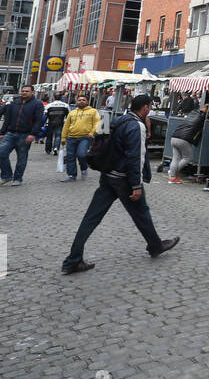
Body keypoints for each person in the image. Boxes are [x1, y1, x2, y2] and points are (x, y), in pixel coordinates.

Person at [61, 94, 179, 274]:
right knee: (141, 213)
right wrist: (136, 185)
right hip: (124, 178)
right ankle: (155, 246)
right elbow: (135, 157)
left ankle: (73, 259)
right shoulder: (136, 125)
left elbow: (98, 141)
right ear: (146, 108)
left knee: (91, 217)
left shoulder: (116, 119)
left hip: (108, 174)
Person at [0, 85, 44, 187]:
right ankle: (6, 176)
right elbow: (7, 118)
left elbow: (38, 120)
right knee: (1, 153)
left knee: (21, 158)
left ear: (32, 92)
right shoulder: (15, 102)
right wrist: (2, 133)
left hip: (25, 134)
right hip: (10, 133)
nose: (24, 93)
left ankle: (18, 178)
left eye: (27, 91)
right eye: (23, 91)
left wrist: (33, 134)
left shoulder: (37, 104)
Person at [60, 94, 101, 182]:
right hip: (71, 137)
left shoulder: (93, 111)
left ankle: (84, 168)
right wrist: (63, 137)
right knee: (70, 157)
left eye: (83, 100)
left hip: (85, 137)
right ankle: (71, 175)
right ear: (76, 101)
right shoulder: (72, 112)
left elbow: (97, 123)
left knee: (81, 154)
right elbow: (66, 126)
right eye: (79, 100)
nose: (81, 101)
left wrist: (91, 133)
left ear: (87, 102)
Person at [169, 104, 206, 183]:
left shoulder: (192, 113)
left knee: (175, 158)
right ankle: (172, 172)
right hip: (183, 139)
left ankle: (172, 177)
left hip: (174, 137)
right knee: (188, 158)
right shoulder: (202, 117)